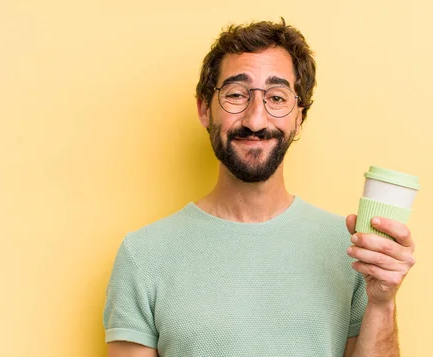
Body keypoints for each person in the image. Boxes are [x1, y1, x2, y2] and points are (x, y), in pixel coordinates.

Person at [103, 18, 416, 357]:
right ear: (204, 108)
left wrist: (382, 303)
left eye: (277, 98)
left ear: (299, 117)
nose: (255, 120)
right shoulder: (144, 255)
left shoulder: (354, 252)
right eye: (236, 94)